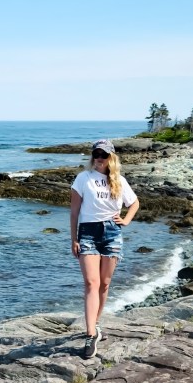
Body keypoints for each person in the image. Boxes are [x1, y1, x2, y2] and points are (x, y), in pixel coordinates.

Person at [70, 139, 140, 359]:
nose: (99, 158)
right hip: (88, 233)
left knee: (105, 283)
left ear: (112, 157)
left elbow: (135, 203)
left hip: (112, 233)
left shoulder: (119, 180)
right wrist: (74, 238)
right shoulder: (83, 178)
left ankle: (96, 324)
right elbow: (74, 212)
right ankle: (90, 334)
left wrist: (126, 220)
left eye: (104, 154)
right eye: (96, 154)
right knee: (92, 282)